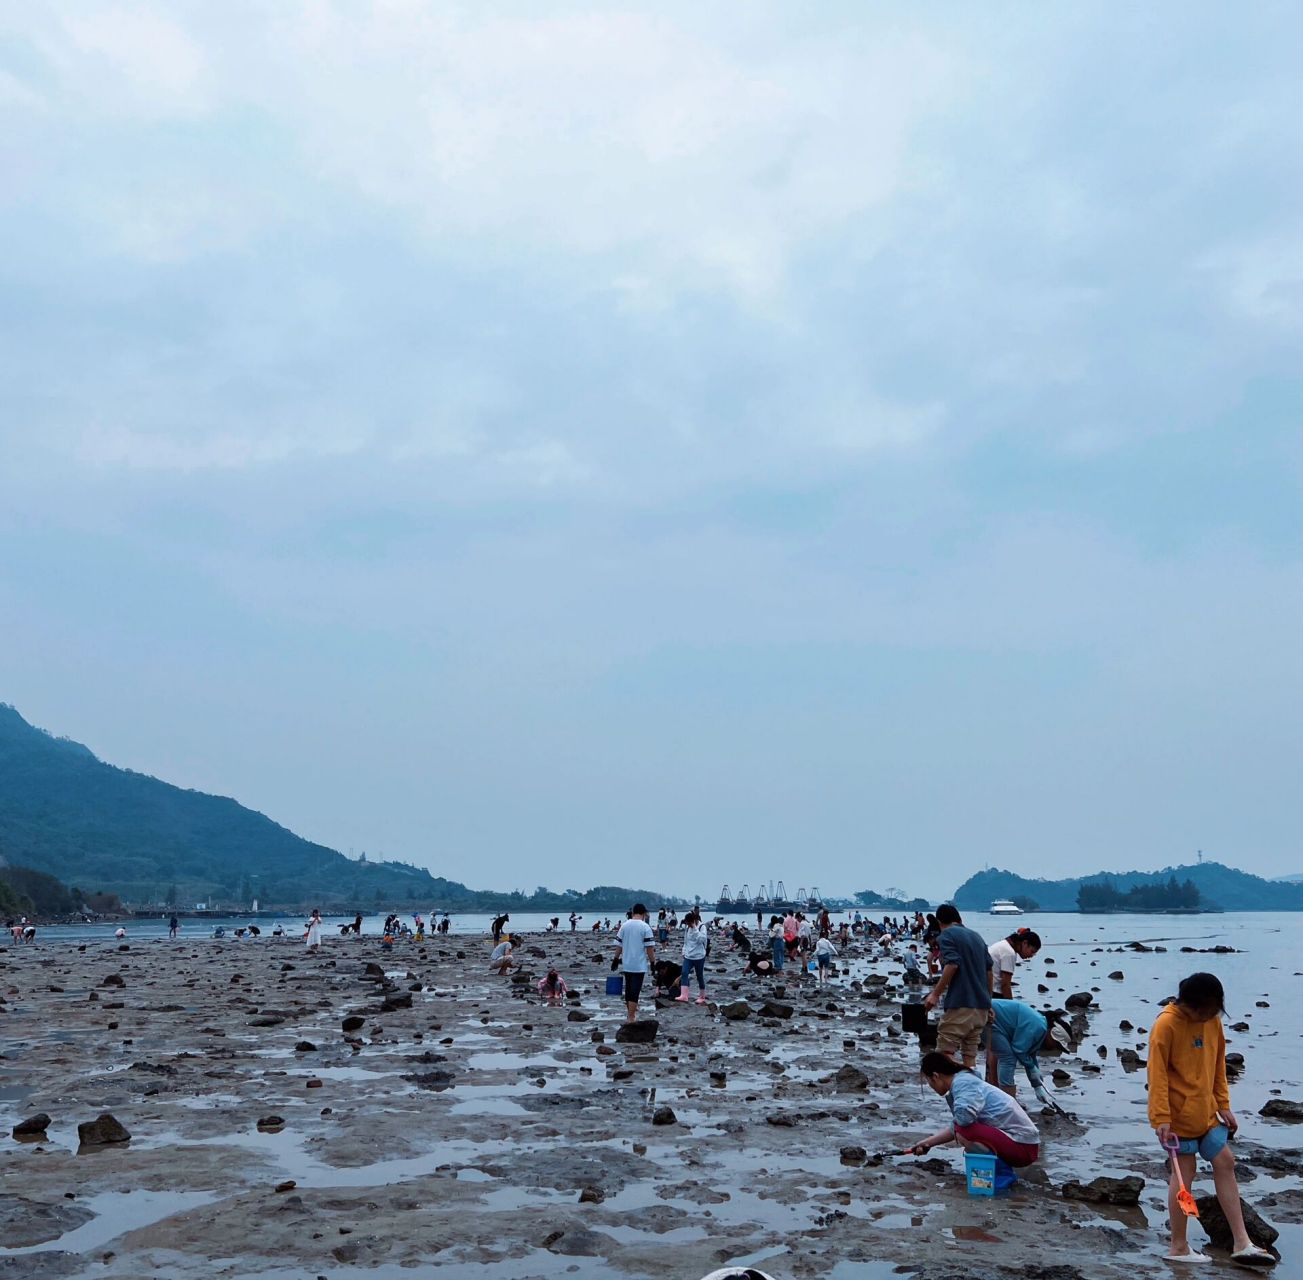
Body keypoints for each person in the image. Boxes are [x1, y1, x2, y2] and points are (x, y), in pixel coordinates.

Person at [1149, 972, 1276, 1266]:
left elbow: (1218, 1066)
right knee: (1184, 1177)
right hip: (1177, 1119)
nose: (1207, 1017)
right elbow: (1156, 1076)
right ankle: (1178, 1246)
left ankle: (1242, 1242)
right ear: (1188, 1004)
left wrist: (1224, 1105)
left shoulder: (1213, 1023)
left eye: (1213, 1011)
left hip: (1207, 1115)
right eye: (1203, 1011)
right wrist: (1161, 1118)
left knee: (1226, 1163)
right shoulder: (1166, 1025)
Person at [909, 1051, 1040, 1169]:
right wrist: (928, 1143)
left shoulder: (963, 1083)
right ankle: (996, 1172)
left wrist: (956, 1126)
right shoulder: (963, 1081)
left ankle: (998, 1173)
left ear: (935, 1076)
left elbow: (963, 1122)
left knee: (963, 1130)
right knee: (961, 1129)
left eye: (928, 1081)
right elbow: (957, 1125)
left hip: (1023, 1146)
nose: (930, 1086)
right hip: (1021, 1143)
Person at [923, 904, 993, 1069]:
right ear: (959, 919)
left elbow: (953, 964)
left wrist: (935, 994)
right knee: (970, 1056)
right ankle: (972, 1091)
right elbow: (989, 972)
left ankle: (957, 1091)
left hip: (961, 1004)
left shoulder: (946, 935)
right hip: (981, 1008)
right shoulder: (977, 937)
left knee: (944, 1053)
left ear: (939, 922)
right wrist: (988, 1002)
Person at [989, 999, 1073, 1100]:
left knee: (1007, 1057)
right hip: (990, 1016)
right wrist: (1032, 1067)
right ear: (1051, 1033)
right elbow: (1019, 1050)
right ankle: (1007, 1100)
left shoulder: (1041, 1030)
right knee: (1008, 1059)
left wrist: (1037, 1085)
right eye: (1056, 1044)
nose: (1055, 1048)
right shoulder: (1038, 1027)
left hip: (994, 1018)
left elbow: (1029, 1055)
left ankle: (1003, 1098)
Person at [613, 903, 656, 1024]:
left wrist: (615, 959)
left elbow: (619, 945)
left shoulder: (624, 926)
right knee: (635, 991)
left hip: (627, 963)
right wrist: (653, 962)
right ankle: (631, 1017)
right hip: (639, 964)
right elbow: (649, 948)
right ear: (643, 913)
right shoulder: (645, 927)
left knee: (629, 989)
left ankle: (630, 1014)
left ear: (633, 913)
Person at [988, 929, 1042, 1000]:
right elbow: (1005, 985)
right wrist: (1011, 1005)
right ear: (1024, 943)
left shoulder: (1003, 945)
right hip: (993, 994)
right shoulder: (1009, 953)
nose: (1032, 955)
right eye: (1032, 951)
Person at [676, 911, 709, 1004]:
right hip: (688, 956)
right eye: (687, 923)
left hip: (699, 956)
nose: (688, 925)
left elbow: (701, 939)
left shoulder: (702, 927)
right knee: (684, 972)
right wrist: (684, 951)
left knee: (699, 976)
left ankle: (702, 996)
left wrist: (694, 928)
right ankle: (684, 995)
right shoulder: (687, 929)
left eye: (689, 923)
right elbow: (686, 942)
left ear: (694, 921)